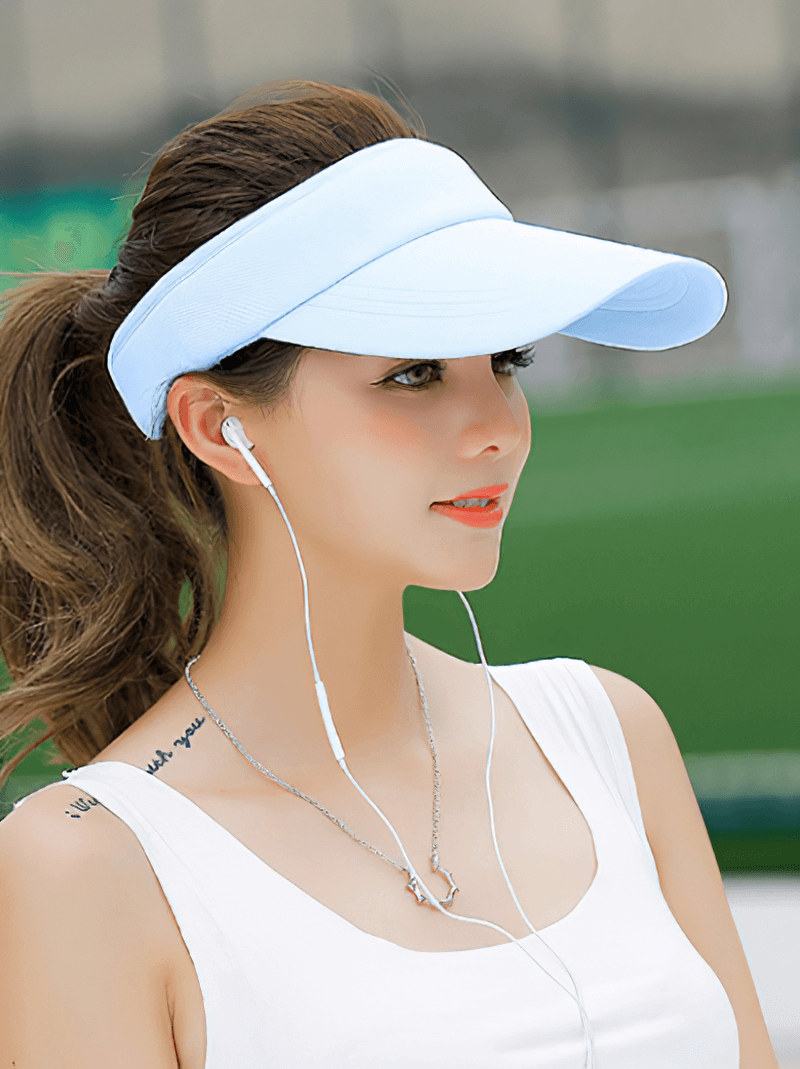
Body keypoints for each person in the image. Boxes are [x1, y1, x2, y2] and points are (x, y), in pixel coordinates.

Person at [0, 79, 777, 1069]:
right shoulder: (87, 863)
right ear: (216, 425)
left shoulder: (605, 736)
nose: (495, 428)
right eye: (411, 373)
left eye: (503, 360)